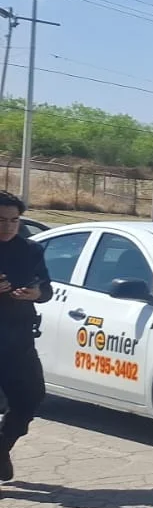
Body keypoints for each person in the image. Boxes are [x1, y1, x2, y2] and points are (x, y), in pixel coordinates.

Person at [0, 191, 48, 483]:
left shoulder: (31, 250)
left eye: (14, 220)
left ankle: (2, 447)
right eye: (2, 220)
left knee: (30, 397)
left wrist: (36, 293)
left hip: (18, 338)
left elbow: (47, 288)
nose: (8, 226)